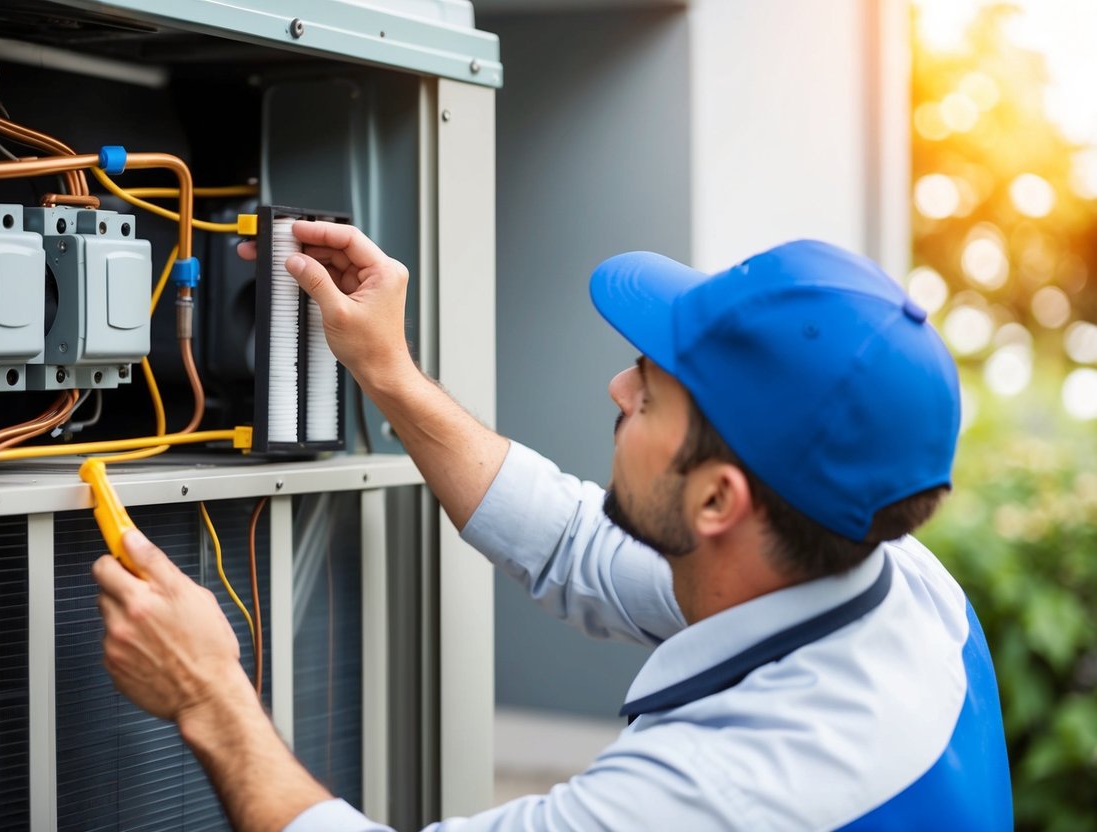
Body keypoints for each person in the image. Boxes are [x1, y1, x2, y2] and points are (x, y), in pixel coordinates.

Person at [93, 221, 1014, 830]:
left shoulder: (731, 795)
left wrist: (208, 696)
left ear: (717, 502)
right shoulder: (889, 581)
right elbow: (576, 542)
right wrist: (390, 373)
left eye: (648, 392)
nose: (618, 387)